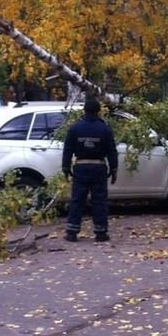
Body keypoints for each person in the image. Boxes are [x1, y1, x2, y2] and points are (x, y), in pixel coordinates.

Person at [62, 97, 118, 242]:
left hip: (81, 167)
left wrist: (66, 168)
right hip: (98, 167)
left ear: (84, 110)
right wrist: (114, 169)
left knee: (77, 200)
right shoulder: (104, 129)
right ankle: (100, 232)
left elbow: (67, 149)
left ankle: (72, 232)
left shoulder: (75, 128)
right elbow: (111, 150)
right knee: (99, 200)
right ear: (98, 112)